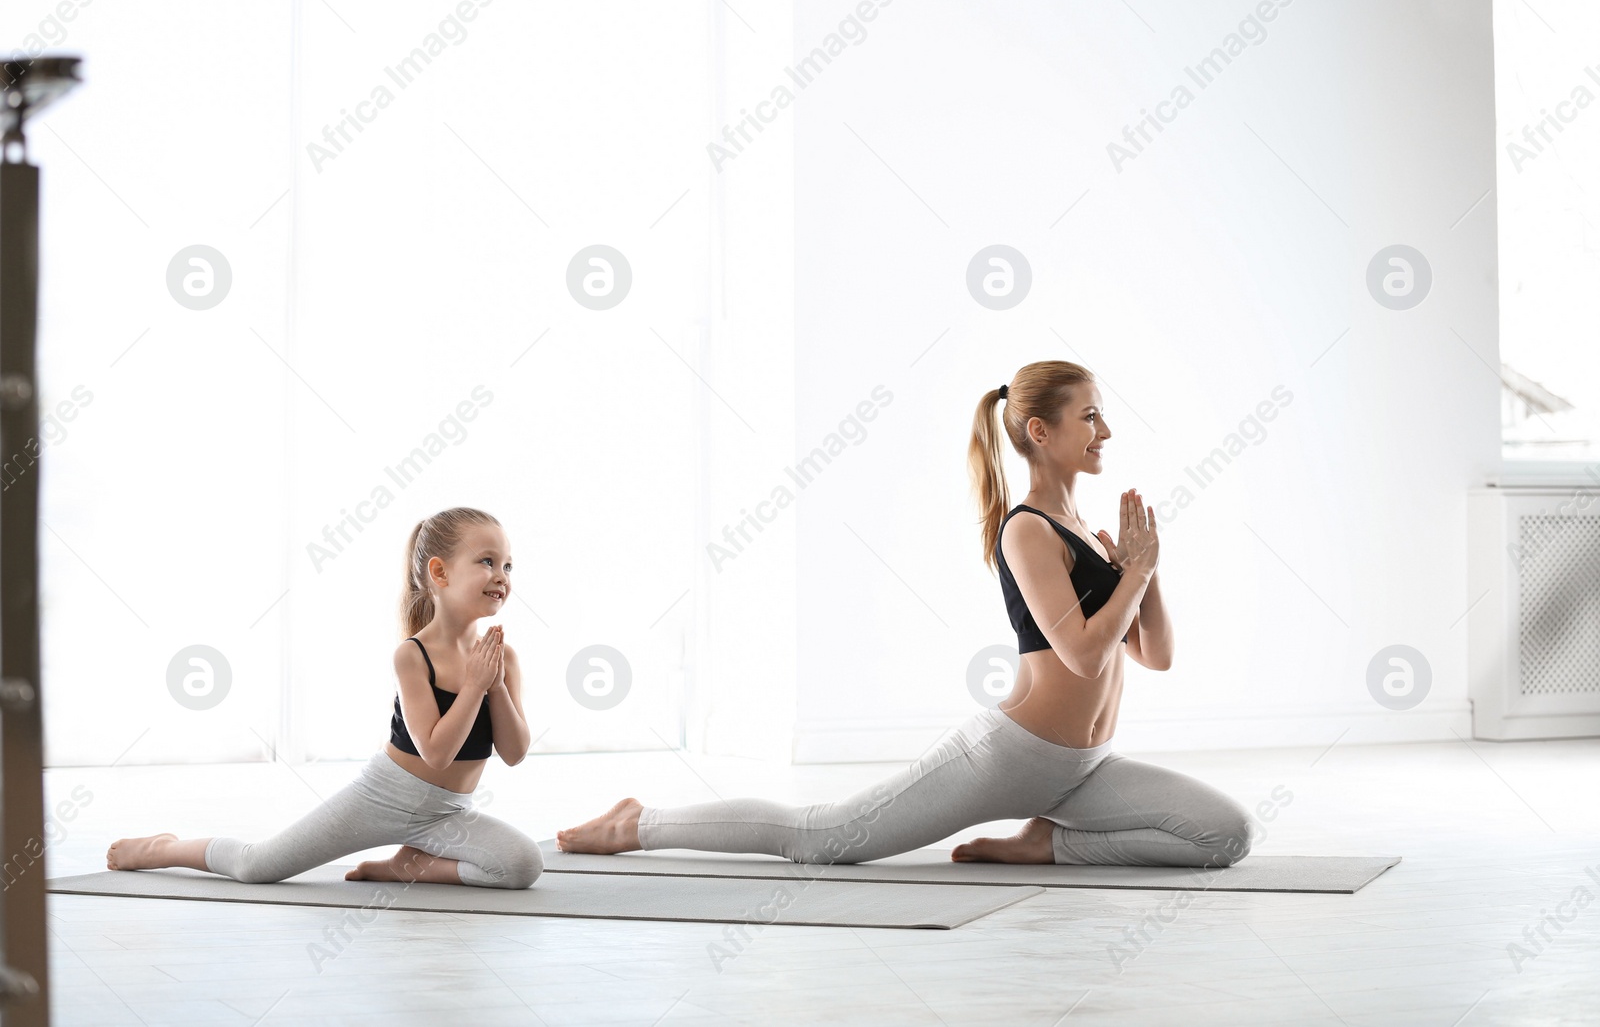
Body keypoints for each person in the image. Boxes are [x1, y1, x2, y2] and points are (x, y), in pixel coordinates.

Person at [557, 360, 1254, 869]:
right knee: (824, 839)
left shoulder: (1085, 530)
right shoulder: (1029, 530)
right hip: (1010, 759)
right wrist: (1132, 573)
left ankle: (1048, 843)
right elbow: (1084, 655)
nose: (1107, 429)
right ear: (1041, 431)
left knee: (1226, 835)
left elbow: (1154, 656)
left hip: (1087, 767)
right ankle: (638, 823)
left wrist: (1146, 569)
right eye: (1091, 415)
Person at [107, 507, 544, 888]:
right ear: (440, 572)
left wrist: (496, 685)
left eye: (508, 566)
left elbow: (514, 752)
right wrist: (473, 686)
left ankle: (411, 866)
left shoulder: (502, 658)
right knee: (257, 866)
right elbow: (436, 753)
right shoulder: (412, 655)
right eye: (487, 562)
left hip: (448, 814)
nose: (501, 577)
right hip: (384, 799)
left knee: (522, 866)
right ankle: (161, 849)